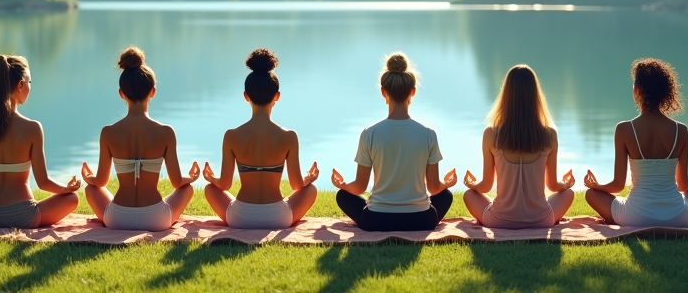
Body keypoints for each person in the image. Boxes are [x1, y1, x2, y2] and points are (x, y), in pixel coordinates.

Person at [332, 52, 456, 231]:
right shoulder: (428, 134)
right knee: (446, 195)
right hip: (422, 220)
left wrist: (342, 185)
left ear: (383, 91)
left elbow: (359, 186)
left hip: (376, 220)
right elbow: (435, 188)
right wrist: (447, 183)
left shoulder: (369, 134)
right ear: (412, 91)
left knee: (342, 196)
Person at [81, 47, 200, 231]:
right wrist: (191, 177)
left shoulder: (108, 132)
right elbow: (177, 182)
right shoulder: (166, 132)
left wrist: (89, 177)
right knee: (187, 188)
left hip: (117, 218)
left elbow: (100, 182)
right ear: (153, 92)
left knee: (90, 189)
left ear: (121, 93)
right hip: (157, 219)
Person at [203, 48, 320, 229]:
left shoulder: (231, 136)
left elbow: (224, 185)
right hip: (278, 217)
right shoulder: (289, 137)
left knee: (210, 189)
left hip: (239, 217)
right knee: (310, 190)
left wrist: (212, 179)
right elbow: (297, 185)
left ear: (246, 96)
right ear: (277, 96)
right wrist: (309, 178)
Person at [584, 58, 688, 227]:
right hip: (677, 217)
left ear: (637, 90)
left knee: (591, 194)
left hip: (635, 216)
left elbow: (618, 185)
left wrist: (597, 186)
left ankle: (617, 216)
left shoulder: (624, 129)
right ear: (665, 92)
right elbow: (684, 185)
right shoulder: (681, 130)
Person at [0, 55, 81, 228]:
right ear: (20, 85)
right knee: (72, 199)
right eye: (29, 82)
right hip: (22, 216)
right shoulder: (33, 128)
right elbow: (43, 182)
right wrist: (65, 189)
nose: (30, 87)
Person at [462, 65, 575, 228]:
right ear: (535, 96)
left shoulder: (491, 134)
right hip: (541, 220)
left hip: (499, 221)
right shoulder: (549, 135)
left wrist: (472, 185)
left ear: (506, 96)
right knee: (569, 194)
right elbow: (552, 185)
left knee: (469, 195)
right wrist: (566, 184)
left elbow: (486, 185)